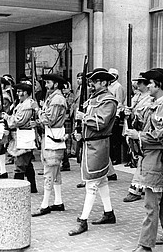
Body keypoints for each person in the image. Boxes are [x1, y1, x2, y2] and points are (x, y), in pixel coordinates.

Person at [126, 68, 163, 252]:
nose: (147, 86)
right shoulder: (154, 105)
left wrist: (138, 135)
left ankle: (145, 245)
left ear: (158, 85)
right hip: (150, 157)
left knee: (151, 203)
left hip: (158, 159)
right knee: (158, 198)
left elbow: (161, 136)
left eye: (150, 83)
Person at [68, 68, 118, 236]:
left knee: (92, 184)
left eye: (94, 82)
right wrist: (79, 131)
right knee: (101, 180)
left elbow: (101, 123)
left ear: (104, 83)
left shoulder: (109, 100)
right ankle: (109, 213)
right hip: (91, 143)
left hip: (98, 144)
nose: (91, 85)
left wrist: (83, 118)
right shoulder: (95, 99)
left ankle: (83, 220)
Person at [31, 74, 68, 217]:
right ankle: (58, 201)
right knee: (55, 171)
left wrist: (37, 110)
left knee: (49, 170)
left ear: (56, 84)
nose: (46, 85)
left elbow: (49, 120)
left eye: (48, 82)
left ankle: (45, 204)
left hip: (53, 136)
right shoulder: (53, 98)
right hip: (52, 136)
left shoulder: (57, 99)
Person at [3, 79, 38, 193]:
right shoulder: (21, 104)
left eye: (21, 91)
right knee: (27, 164)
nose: (18, 93)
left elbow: (18, 121)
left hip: (25, 135)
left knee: (20, 164)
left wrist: (8, 118)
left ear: (27, 92)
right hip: (21, 135)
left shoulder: (28, 105)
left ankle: (17, 190)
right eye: (17, 91)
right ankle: (32, 188)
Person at [123, 73, 153, 202]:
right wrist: (127, 111)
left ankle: (136, 188)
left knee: (143, 161)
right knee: (141, 160)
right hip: (136, 130)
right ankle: (144, 187)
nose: (137, 84)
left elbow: (146, 115)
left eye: (140, 82)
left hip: (145, 132)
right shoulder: (137, 96)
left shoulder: (150, 98)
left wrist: (135, 113)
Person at [107, 68, 126, 180]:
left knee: (115, 138)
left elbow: (119, 101)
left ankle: (116, 157)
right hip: (109, 114)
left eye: (114, 75)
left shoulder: (118, 87)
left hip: (115, 114)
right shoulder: (109, 86)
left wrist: (117, 113)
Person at [60, 81, 74, 172]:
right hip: (63, 119)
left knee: (67, 137)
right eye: (63, 88)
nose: (64, 89)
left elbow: (68, 107)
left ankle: (68, 153)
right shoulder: (62, 96)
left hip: (68, 118)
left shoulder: (70, 96)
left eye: (66, 88)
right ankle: (65, 161)